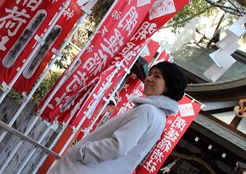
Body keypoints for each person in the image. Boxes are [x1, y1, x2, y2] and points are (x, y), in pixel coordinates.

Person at [48, 61, 187, 174]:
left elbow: (118, 146)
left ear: (168, 87)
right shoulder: (160, 117)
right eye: (150, 73)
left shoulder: (147, 110)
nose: (149, 78)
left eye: (157, 76)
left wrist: (82, 152)